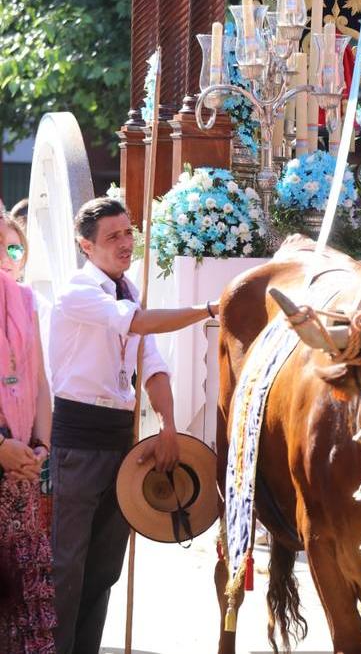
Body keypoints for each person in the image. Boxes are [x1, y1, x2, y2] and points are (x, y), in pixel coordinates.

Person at [49, 197, 219, 654]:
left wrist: (167, 426)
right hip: (77, 441)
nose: (126, 244)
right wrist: (207, 309)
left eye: (128, 233)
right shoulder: (78, 292)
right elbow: (140, 325)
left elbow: (153, 365)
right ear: (86, 245)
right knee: (66, 568)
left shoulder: (130, 290)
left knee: (104, 569)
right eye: (113, 237)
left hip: (121, 441)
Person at [0, 209, 55, 652]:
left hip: (23, 471)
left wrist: (41, 446)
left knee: (20, 596)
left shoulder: (29, 303)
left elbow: (38, 382)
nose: (7, 255)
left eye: (14, 247)